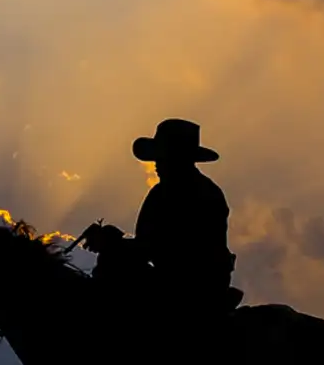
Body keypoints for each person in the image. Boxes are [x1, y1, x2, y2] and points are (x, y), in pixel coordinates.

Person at [81, 119, 242, 326]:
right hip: (192, 281)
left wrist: (113, 244)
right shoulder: (191, 191)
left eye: (162, 157)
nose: (156, 163)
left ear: (177, 158)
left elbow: (164, 249)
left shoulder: (194, 194)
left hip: (191, 288)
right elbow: (152, 245)